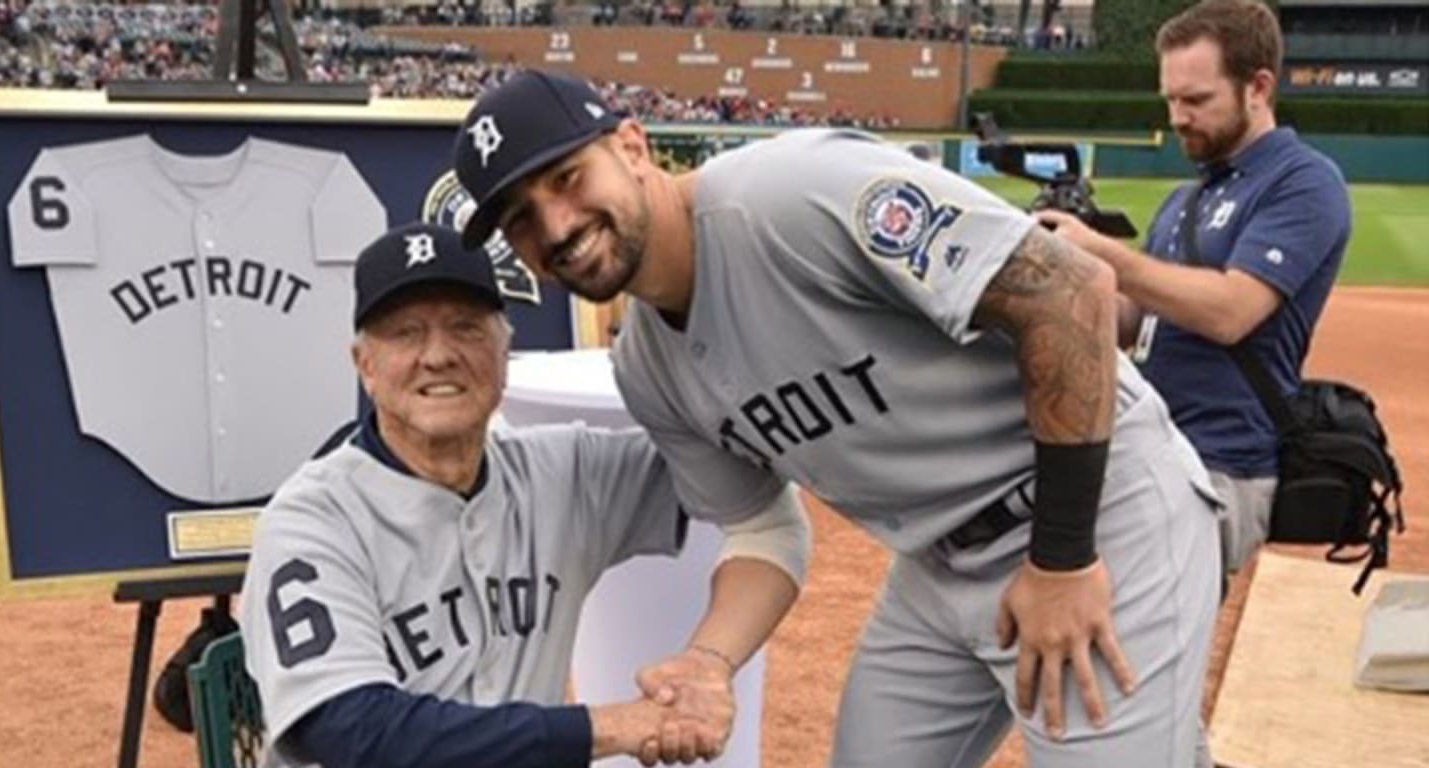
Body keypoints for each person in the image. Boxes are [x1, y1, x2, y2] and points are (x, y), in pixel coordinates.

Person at [453, 70, 1224, 767]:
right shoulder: (648, 368)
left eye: (566, 177)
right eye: (521, 219)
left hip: (1094, 514)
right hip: (934, 563)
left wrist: (1062, 560)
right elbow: (763, 529)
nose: (555, 226)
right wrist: (709, 660)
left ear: (632, 144)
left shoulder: (789, 194)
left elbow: (1069, 291)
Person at [238, 222, 811, 767]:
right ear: (364, 364)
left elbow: (742, 451)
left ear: (503, 352)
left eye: (466, 326)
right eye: (405, 332)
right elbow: (357, 734)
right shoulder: (312, 520)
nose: (438, 354)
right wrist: (610, 727)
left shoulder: (566, 472)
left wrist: (708, 661)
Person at [1037, 0, 1350, 575]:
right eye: (1171, 99)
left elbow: (1232, 311)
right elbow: (1134, 322)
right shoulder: (1187, 198)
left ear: (1258, 87)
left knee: (1142, 651)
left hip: (1219, 464)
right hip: (1145, 448)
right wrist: (1058, 267)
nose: (1178, 116)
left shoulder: (1304, 181)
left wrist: (1104, 251)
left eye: (1197, 100)